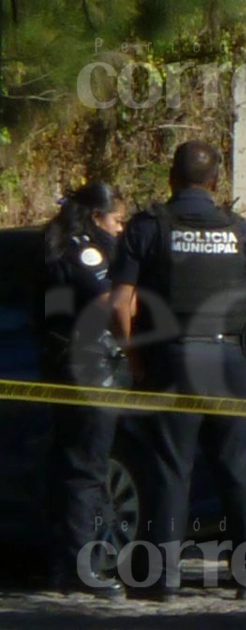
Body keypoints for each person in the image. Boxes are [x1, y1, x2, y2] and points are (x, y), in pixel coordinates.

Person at [108, 140, 246, 601]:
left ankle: (161, 579)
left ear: (171, 178)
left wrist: (134, 355)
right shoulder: (239, 230)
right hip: (230, 361)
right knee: (237, 470)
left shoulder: (149, 228)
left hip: (174, 358)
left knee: (171, 468)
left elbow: (118, 303)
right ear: (215, 183)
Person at [38, 182, 130, 599]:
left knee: (72, 466)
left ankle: (64, 564)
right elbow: (111, 302)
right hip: (92, 368)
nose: (121, 230)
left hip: (69, 365)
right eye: (117, 221)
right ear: (96, 218)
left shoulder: (59, 244)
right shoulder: (86, 251)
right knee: (87, 470)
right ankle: (83, 566)